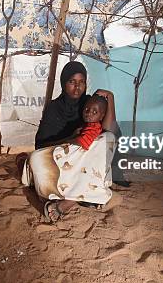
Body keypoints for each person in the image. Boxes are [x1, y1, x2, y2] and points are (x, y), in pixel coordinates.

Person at [19, 61, 120, 222]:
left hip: (84, 161)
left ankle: (68, 202)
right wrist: (71, 139)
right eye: (72, 82)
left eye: (82, 82)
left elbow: (111, 130)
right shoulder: (54, 108)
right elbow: (40, 146)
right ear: (63, 83)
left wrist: (110, 97)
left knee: (108, 139)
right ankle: (87, 194)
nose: (77, 87)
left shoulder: (90, 103)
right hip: (62, 158)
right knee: (36, 158)